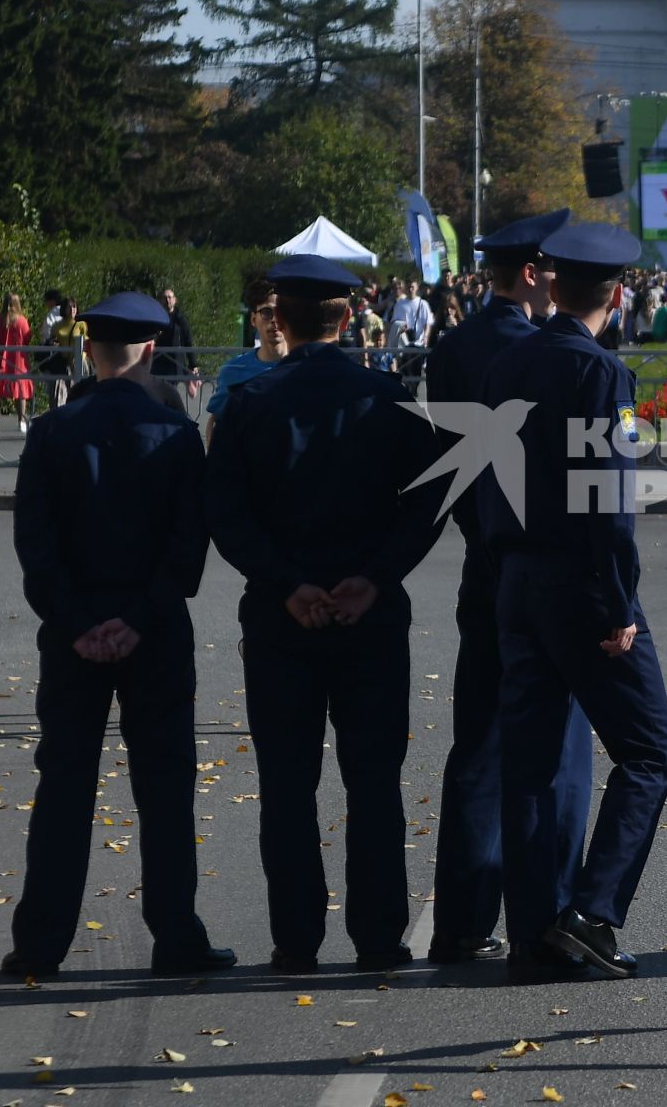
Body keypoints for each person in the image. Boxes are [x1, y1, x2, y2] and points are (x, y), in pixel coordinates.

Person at [204, 253, 445, 972]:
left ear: (279, 319)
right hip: (370, 616)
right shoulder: (389, 397)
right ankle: (377, 937)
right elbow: (431, 499)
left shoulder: (249, 403)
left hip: (282, 618)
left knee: (286, 783)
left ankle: (296, 937)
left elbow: (225, 511)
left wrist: (286, 583)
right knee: (373, 781)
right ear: (348, 317)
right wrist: (374, 577)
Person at [2, 293, 236, 979]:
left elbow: (36, 549)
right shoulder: (175, 435)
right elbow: (187, 549)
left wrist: (78, 624)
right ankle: (175, 935)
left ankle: (41, 940)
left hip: (72, 638)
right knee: (164, 788)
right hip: (155, 631)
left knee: (64, 787)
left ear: (88, 353)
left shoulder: (50, 433)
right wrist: (136, 618)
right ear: (153, 351)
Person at [480, 222, 667, 982]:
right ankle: (594, 913)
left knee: (529, 766)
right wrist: (619, 603)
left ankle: (534, 937)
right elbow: (612, 506)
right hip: (579, 583)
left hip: (516, 576)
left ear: (551, 284)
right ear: (619, 293)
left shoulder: (507, 363)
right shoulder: (603, 376)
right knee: (651, 749)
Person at [420, 209, 594, 974]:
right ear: (535, 273)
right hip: (552, 571)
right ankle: (553, 915)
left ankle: (460, 920)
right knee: (559, 750)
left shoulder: (454, 347)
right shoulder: (555, 352)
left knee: (480, 748)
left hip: (484, 562)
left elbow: (448, 469)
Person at [204, 280, 287, 445]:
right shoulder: (233, 371)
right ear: (253, 319)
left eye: (282, 312)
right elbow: (215, 421)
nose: (275, 320)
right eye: (267, 312)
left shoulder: (304, 367)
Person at [0, 292, 35, 432]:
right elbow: (27, 339)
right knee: (20, 391)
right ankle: (21, 420)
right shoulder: (22, 321)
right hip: (17, 359)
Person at [152, 288, 199, 393]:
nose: (168, 300)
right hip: (158, 362)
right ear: (160, 301)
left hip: (175, 362)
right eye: (165, 298)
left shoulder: (180, 319)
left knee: (170, 392)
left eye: (170, 297)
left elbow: (188, 341)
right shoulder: (156, 318)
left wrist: (193, 364)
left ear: (175, 300)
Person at [44, 296, 87, 409]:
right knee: (58, 393)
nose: (72, 309)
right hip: (61, 363)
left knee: (78, 392)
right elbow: (51, 340)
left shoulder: (81, 324)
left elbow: (86, 342)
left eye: (74, 306)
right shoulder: (57, 326)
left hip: (77, 362)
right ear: (64, 308)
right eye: (70, 306)